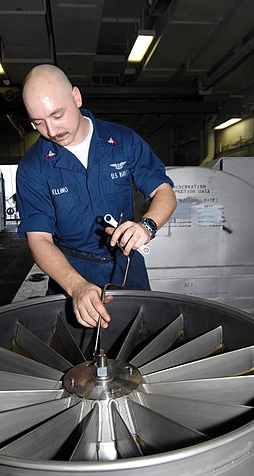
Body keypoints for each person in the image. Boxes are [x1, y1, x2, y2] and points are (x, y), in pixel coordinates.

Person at [16, 64, 176, 330]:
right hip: (69, 271)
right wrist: (76, 286)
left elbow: (164, 192)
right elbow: (39, 239)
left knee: (140, 343)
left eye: (57, 115)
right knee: (72, 355)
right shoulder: (33, 167)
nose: (52, 130)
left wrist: (147, 226)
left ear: (76, 97)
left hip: (126, 267)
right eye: (38, 123)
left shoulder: (123, 141)